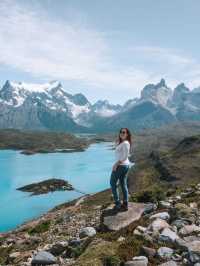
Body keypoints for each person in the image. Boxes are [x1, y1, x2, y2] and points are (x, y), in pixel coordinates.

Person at [110, 128, 132, 212]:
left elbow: (125, 156)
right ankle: (125, 204)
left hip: (121, 166)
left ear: (127, 134)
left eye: (124, 132)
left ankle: (117, 203)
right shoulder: (123, 143)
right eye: (120, 132)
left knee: (112, 183)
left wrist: (116, 164)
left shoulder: (126, 143)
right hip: (125, 165)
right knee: (123, 184)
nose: (122, 133)